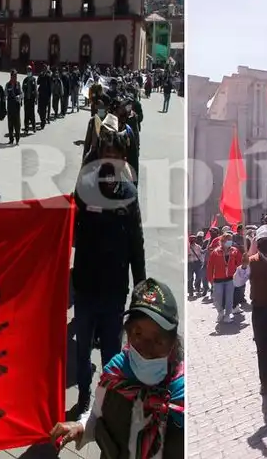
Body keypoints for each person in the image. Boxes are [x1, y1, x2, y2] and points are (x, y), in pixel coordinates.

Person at [51, 278, 184, 459]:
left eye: (158, 339)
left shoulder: (183, 397)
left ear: (172, 343)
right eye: (137, 334)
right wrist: (81, 427)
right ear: (127, 333)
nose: (145, 347)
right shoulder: (114, 375)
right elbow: (98, 413)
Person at [71, 122, 146, 413]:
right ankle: (84, 396)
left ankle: (109, 400)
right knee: (81, 348)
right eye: (106, 153)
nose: (111, 159)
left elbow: (136, 242)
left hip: (115, 288)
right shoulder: (85, 186)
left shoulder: (129, 192)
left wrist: (140, 285)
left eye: (117, 154)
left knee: (112, 352)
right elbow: (69, 212)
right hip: (87, 285)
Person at [234, 225, 267, 395]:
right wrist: (242, 268)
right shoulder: (250, 261)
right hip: (260, 310)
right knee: (263, 348)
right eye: (262, 241)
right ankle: (266, 382)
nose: (266, 244)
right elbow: (238, 282)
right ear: (257, 243)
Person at [206, 231, 241, 323]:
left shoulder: (234, 251)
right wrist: (210, 279)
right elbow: (210, 266)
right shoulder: (215, 252)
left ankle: (227, 315)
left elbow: (239, 263)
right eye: (227, 240)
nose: (229, 241)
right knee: (217, 298)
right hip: (218, 279)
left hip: (230, 279)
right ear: (222, 241)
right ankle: (220, 312)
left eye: (230, 240)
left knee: (229, 298)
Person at [4, 70, 22, 145]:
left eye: (16, 76)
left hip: (17, 108)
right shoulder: (7, 85)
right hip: (10, 107)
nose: (15, 78)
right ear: (11, 76)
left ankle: (17, 139)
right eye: (14, 76)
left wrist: (19, 96)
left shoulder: (18, 84)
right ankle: (11, 139)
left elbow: (21, 94)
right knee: (10, 124)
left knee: (17, 125)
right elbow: (5, 95)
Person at [188, 232, 206, 298]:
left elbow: (201, 253)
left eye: (194, 239)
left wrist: (202, 261)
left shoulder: (198, 247)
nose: (193, 240)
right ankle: (190, 291)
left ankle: (197, 288)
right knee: (190, 278)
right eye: (191, 239)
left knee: (199, 277)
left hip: (197, 263)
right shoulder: (187, 247)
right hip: (189, 264)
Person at [22, 65, 38, 135]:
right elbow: (22, 90)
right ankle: (26, 129)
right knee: (26, 115)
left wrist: (36, 99)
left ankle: (34, 127)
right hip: (26, 100)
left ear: (31, 71)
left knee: (32, 114)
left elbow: (35, 90)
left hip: (31, 99)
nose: (28, 72)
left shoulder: (33, 79)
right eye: (27, 70)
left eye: (29, 70)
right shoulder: (25, 80)